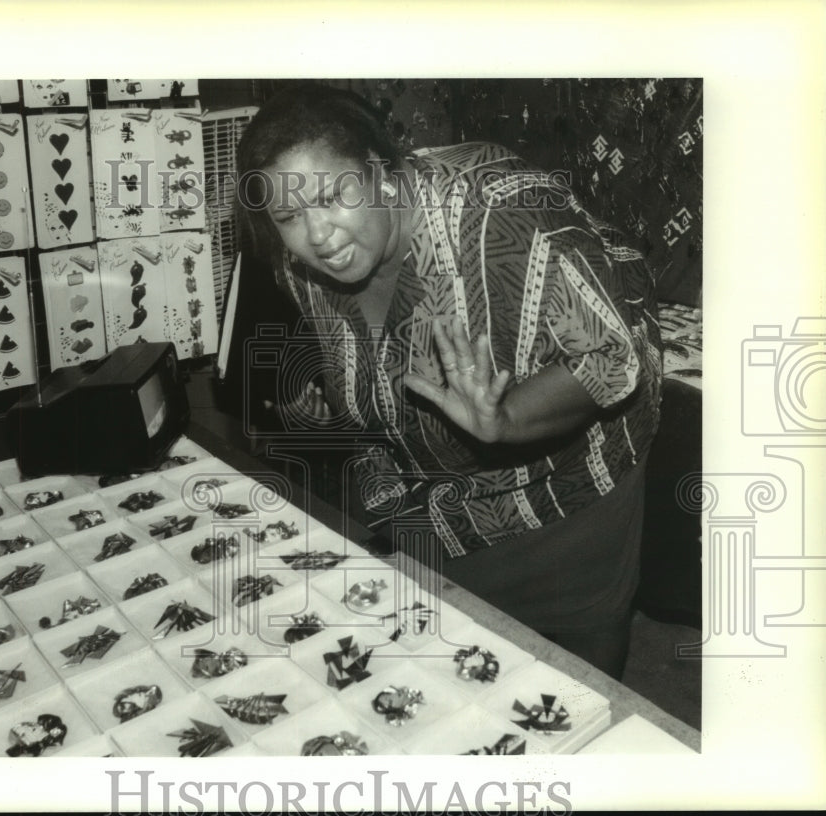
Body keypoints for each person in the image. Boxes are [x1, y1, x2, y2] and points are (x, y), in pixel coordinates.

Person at [235, 84, 663, 679]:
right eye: (288, 216)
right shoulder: (300, 263)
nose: (318, 235)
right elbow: (371, 363)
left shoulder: (501, 214)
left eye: (335, 195)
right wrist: (337, 406)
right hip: (431, 489)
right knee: (441, 667)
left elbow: (612, 359)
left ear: (382, 173)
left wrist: (507, 418)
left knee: (575, 679)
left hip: (569, 478)